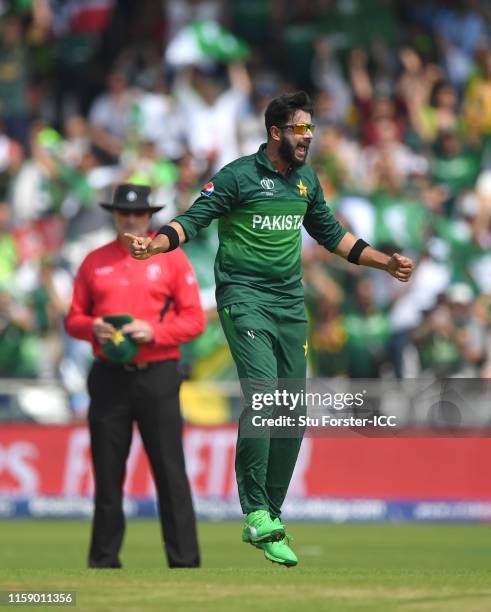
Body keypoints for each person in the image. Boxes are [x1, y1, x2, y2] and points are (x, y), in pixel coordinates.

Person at [124, 92, 414, 567]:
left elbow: (332, 234)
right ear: (276, 132)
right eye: (300, 130)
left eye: (311, 131)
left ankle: (271, 517)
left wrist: (385, 262)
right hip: (244, 298)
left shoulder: (306, 182)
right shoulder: (238, 176)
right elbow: (193, 219)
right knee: (263, 396)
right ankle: (254, 509)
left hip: (289, 305)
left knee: (291, 412)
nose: (307, 138)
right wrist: (155, 245)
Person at [65, 183, 205, 569]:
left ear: (149, 217)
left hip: (157, 372)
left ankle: (185, 563)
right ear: (114, 214)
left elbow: (194, 319)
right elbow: (73, 319)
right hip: (109, 376)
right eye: (124, 213)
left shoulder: (171, 259)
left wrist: (154, 332)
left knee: (170, 472)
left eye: (139, 214)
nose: (131, 219)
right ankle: (104, 561)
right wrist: (92, 326)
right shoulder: (94, 260)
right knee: (108, 475)